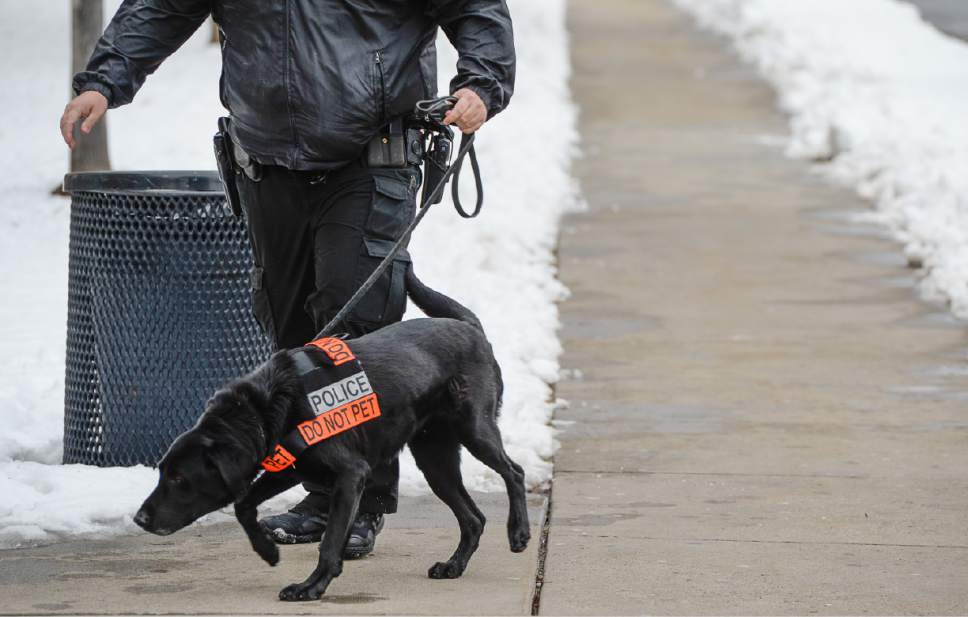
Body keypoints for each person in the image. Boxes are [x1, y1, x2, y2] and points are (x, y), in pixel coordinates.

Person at [60, 0, 515, 558]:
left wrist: (481, 84)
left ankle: (354, 502)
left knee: (353, 337)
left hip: (373, 158)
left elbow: (476, 8)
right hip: (266, 163)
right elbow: (162, 6)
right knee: (293, 335)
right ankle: (325, 486)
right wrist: (105, 80)